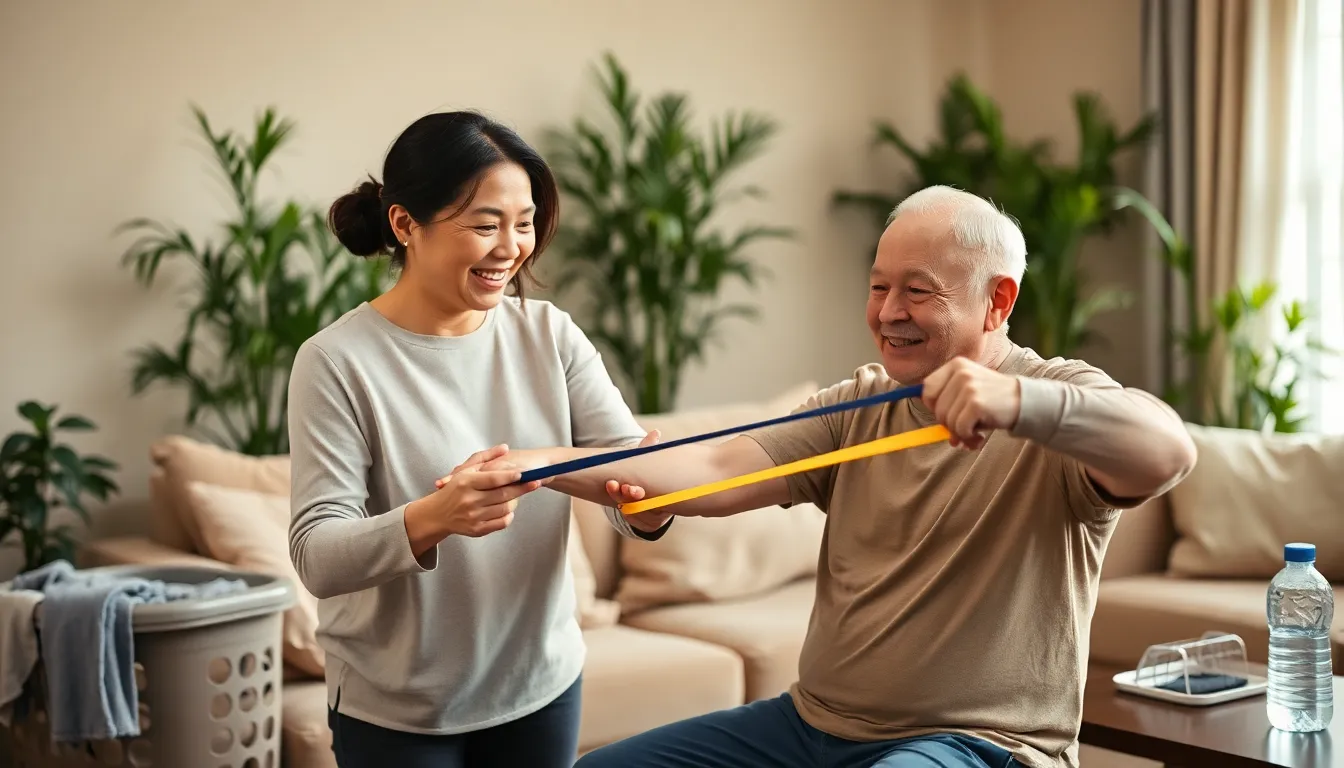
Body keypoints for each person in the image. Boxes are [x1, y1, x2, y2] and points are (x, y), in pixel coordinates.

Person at [489, 185, 1198, 768]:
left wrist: (1021, 404)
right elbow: (712, 465)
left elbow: (1168, 451)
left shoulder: (1055, 397)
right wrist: (540, 465)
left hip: (980, 746)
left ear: (999, 302)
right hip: (810, 727)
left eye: (919, 292)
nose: (889, 313)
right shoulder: (860, 404)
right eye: (879, 287)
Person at [285, 110, 670, 768]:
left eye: (524, 224)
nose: (512, 247)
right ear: (406, 225)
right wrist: (435, 517)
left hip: (541, 687)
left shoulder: (550, 335)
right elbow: (318, 556)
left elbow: (629, 479)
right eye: (486, 224)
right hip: (397, 709)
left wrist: (650, 504)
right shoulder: (336, 362)